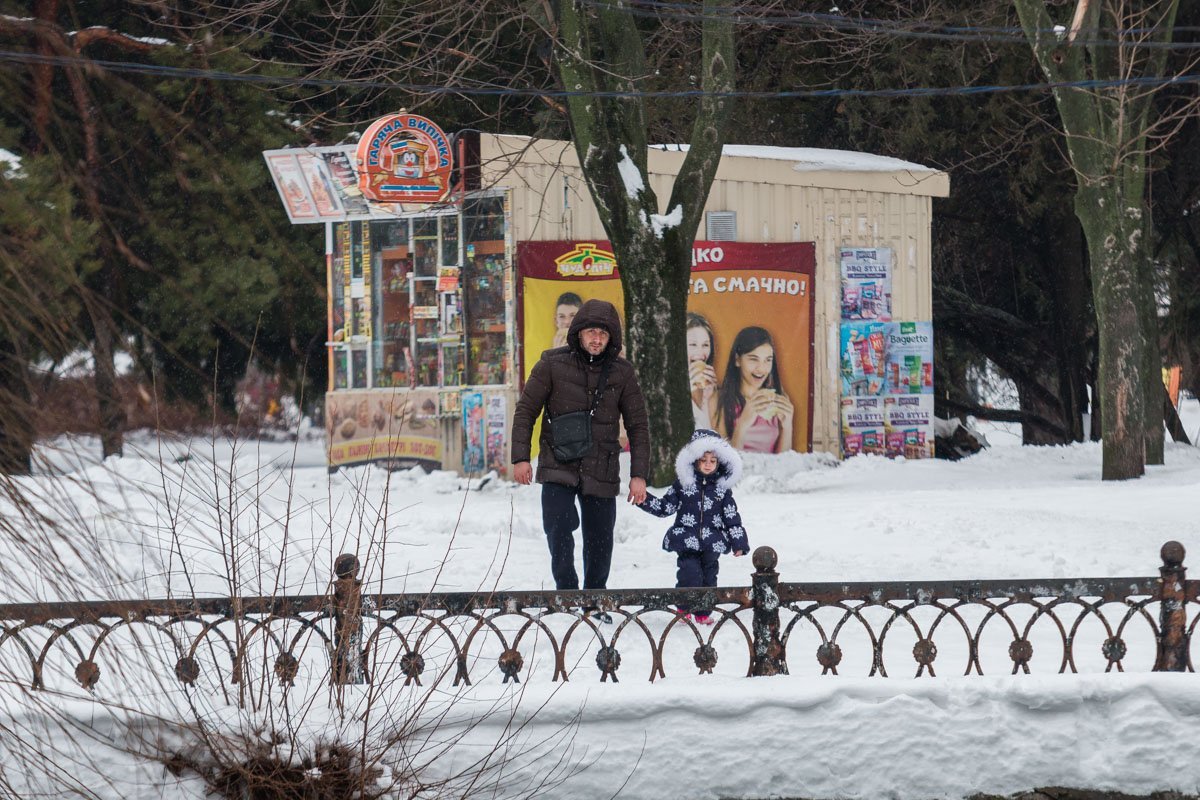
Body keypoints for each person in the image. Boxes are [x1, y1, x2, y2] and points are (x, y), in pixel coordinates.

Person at [512, 299, 650, 621]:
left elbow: (638, 426)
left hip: (601, 465)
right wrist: (521, 457)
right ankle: (568, 594)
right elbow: (526, 411)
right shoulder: (551, 363)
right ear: (579, 333)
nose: (596, 339)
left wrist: (639, 474)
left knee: (600, 538)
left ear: (612, 337)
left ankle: (594, 599)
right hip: (558, 463)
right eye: (591, 332)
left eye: (603, 333)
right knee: (557, 525)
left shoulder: (623, 373)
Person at [634, 429, 748, 624]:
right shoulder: (683, 485)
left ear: (719, 462)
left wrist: (739, 542)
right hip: (686, 539)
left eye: (712, 461)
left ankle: (703, 612)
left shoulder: (722, 490)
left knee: (709, 578)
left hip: (713, 542)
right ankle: (683, 608)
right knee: (689, 572)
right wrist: (644, 500)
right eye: (703, 460)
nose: (708, 465)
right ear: (694, 460)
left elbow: (731, 517)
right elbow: (666, 507)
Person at [714, 326, 795, 453]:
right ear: (737, 360)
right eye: (753, 359)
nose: (761, 369)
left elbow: (783, 460)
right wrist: (743, 424)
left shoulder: (780, 399)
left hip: (769, 472)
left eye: (768, 360)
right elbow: (724, 462)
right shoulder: (718, 399)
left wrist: (787, 426)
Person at [686, 312, 718, 430]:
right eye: (693, 344)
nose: (700, 353)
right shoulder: (662, 389)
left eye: (705, 345)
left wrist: (714, 398)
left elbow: (720, 439)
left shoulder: (711, 389)